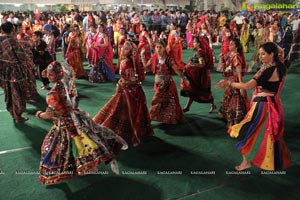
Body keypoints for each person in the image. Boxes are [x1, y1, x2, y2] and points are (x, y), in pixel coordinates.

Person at [35, 61, 127, 185]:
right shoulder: (69, 84)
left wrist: (39, 114)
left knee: (57, 147)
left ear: (55, 75)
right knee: (84, 139)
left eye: (50, 74)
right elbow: (74, 102)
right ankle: (88, 166)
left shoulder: (53, 93)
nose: (48, 75)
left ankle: (76, 168)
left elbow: (49, 114)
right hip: (77, 118)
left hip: (65, 124)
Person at [216, 42, 291, 171]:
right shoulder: (280, 65)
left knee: (245, 131)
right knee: (267, 134)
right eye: (260, 54)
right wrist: (271, 44)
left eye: (263, 54)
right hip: (271, 104)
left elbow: (247, 86)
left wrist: (229, 83)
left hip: (263, 106)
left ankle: (247, 162)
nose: (260, 56)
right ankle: (266, 161)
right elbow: (281, 52)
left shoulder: (266, 70)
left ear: (272, 54)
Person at [93, 40, 153, 147]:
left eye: (126, 49)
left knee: (128, 113)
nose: (123, 50)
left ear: (130, 51)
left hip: (131, 92)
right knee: (119, 111)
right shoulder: (124, 61)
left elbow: (134, 80)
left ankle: (129, 133)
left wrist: (123, 83)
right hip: (126, 90)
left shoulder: (127, 63)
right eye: (122, 48)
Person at [141, 40, 188, 124]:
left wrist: (184, 78)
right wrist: (142, 56)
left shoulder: (169, 59)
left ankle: (152, 119)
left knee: (162, 101)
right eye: (157, 47)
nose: (158, 49)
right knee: (161, 102)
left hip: (167, 84)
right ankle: (163, 118)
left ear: (164, 48)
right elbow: (146, 66)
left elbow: (177, 70)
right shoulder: (154, 57)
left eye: (160, 47)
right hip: (158, 84)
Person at [0, 22, 29, 122]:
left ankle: (13, 113)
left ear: (2, 30)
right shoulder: (13, 41)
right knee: (17, 92)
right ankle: (18, 115)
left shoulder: (1, 40)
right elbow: (22, 56)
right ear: (12, 30)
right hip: (14, 71)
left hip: (4, 71)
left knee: (8, 91)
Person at [217, 38, 249, 128]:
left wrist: (241, 86)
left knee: (234, 102)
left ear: (236, 46)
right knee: (228, 100)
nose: (229, 45)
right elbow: (220, 68)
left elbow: (238, 72)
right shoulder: (229, 55)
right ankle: (229, 120)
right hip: (228, 81)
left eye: (231, 44)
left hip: (234, 82)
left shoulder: (236, 57)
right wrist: (221, 59)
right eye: (229, 43)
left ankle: (234, 123)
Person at [180, 36, 217, 113]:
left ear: (198, 44)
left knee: (204, 93)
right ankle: (187, 107)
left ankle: (213, 105)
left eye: (194, 42)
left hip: (201, 77)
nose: (193, 43)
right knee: (193, 90)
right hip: (199, 75)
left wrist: (192, 64)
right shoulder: (199, 51)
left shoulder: (200, 53)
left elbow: (202, 64)